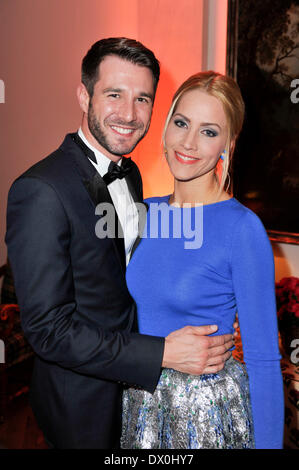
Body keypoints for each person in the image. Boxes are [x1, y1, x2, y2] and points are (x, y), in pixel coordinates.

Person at [5, 39, 236, 449]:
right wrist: (161, 353)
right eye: (114, 95)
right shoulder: (40, 190)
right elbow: (48, 332)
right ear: (83, 95)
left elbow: (126, 281)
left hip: (138, 396)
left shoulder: (130, 175)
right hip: (82, 405)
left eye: (142, 99)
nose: (129, 115)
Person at [121, 71, 284, 449]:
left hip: (205, 420)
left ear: (228, 143)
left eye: (209, 131)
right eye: (182, 123)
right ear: (166, 127)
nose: (189, 142)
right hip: (139, 408)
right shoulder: (141, 213)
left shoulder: (242, 229)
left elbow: (263, 361)